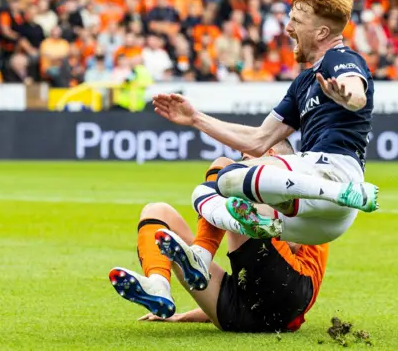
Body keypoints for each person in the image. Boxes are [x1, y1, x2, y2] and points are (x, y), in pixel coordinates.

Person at [152, 0, 379, 258]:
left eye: (296, 20)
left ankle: (341, 191)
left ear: (321, 32)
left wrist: (350, 97)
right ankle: (212, 253)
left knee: (232, 176)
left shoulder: (339, 57)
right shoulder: (302, 83)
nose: (288, 28)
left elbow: (355, 89)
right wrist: (196, 118)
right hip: (318, 222)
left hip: (336, 171)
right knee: (207, 194)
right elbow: (258, 141)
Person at [109, 140, 328, 332]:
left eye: (247, 158)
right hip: (244, 314)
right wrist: (185, 316)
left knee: (225, 168)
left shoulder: (301, 186)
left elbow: (293, 244)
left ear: (270, 154)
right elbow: (255, 288)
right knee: (156, 211)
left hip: (292, 293)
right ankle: (159, 285)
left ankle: (201, 256)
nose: (243, 162)